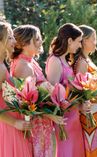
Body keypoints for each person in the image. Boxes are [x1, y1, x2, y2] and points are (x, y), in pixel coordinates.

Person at [10, 24, 60, 157]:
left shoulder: (31, 62)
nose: (40, 42)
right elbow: (26, 103)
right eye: (36, 39)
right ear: (22, 44)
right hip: (36, 126)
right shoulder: (23, 66)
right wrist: (51, 115)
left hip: (42, 124)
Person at [46, 23, 85, 157]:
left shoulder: (66, 60)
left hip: (73, 117)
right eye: (79, 41)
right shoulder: (55, 61)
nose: (80, 45)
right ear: (69, 40)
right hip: (63, 120)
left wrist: (80, 104)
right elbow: (52, 94)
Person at [73, 24, 97, 157]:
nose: (96, 42)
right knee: (92, 149)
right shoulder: (82, 62)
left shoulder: (87, 59)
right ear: (84, 40)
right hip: (90, 114)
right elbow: (81, 93)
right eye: (94, 38)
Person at [0, 21, 33, 157]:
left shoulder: (2, 65)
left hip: (14, 124)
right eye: (10, 37)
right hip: (9, 126)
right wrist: (15, 123)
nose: (14, 41)